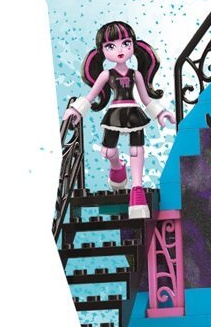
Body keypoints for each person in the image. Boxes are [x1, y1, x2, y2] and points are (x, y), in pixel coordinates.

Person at [63, 20, 175, 218]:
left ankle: (137, 188)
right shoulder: (106, 74)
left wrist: (160, 112)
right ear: (102, 51)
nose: (120, 50)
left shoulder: (135, 74)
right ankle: (117, 167)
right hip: (114, 114)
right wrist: (77, 110)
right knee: (108, 151)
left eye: (125, 43)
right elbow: (91, 96)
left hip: (134, 113)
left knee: (136, 149)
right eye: (110, 46)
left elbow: (146, 99)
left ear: (133, 44)